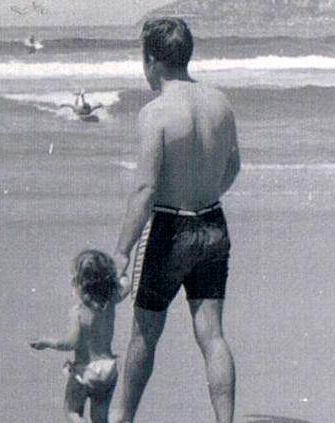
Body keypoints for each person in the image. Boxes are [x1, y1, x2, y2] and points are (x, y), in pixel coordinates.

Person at [111, 17, 240, 423]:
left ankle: (123, 418)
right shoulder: (219, 102)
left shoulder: (156, 113)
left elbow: (146, 189)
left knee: (144, 335)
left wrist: (122, 249)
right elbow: (233, 165)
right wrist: (206, 193)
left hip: (170, 228)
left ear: (151, 60)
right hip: (213, 223)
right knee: (212, 334)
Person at [30, 250, 131, 423]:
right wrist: (122, 270)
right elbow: (126, 285)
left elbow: (70, 343)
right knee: (100, 417)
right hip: (108, 369)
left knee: (72, 412)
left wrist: (47, 342)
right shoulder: (112, 300)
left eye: (74, 280)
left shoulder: (77, 312)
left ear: (81, 285)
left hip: (85, 370)